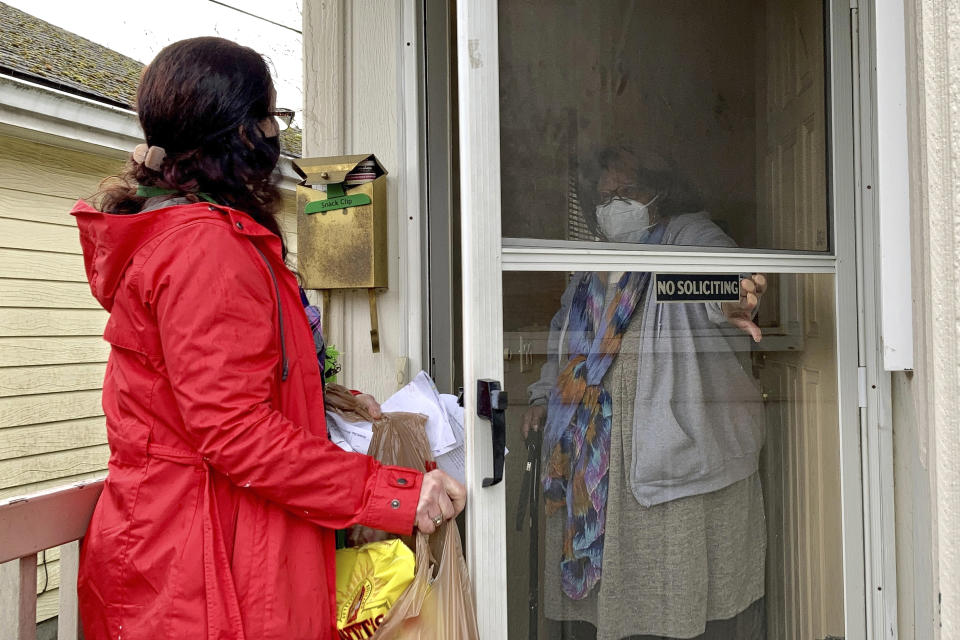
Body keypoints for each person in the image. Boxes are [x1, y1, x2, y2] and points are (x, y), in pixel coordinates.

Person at [71, 37, 464, 640]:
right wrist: (392, 491)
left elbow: (217, 388)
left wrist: (318, 395)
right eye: (272, 118)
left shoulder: (199, 234)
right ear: (241, 133)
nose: (277, 135)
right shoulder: (204, 247)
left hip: (197, 542)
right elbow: (233, 429)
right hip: (199, 564)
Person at [523, 147, 768, 640]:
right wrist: (541, 396)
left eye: (628, 192)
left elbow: (709, 276)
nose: (615, 205)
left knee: (673, 604)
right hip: (594, 469)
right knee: (614, 608)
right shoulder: (590, 268)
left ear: (661, 192)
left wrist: (732, 292)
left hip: (670, 468)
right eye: (605, 196)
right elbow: (564, 337)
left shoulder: (685, 237)